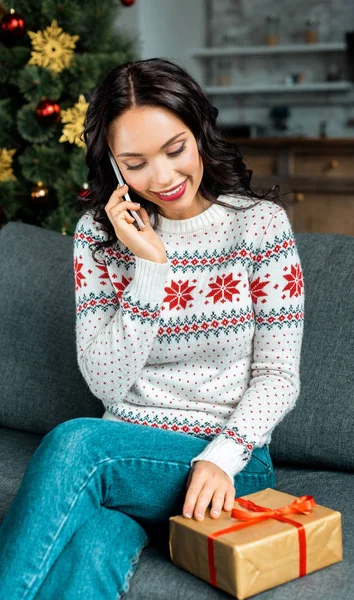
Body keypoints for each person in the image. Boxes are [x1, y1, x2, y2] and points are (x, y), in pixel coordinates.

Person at [0, 57, 305, 599]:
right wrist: (150, 267)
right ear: (113, 166)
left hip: (228, 462)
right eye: (135, 163)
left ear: (200, 133)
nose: (162, 179)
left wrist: (221, 457)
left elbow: (279, 375)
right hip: (126, 452)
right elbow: (107, 384)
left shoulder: (258, 225)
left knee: (76, 445)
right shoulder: (97, 236)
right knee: (95, 545)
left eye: (175, 150)